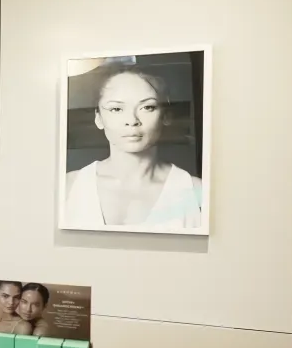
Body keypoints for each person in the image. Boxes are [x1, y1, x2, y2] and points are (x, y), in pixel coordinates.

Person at [62, 63, 204, 231]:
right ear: (98, 118)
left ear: (166, 116)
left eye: (147, 107)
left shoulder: (197, 191)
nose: (132, 120)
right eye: (116, 109)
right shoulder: (68, 186)